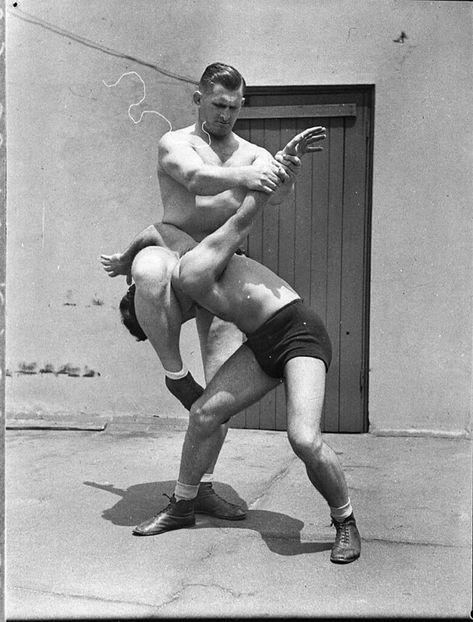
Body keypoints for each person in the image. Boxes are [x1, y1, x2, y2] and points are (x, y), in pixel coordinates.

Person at [125, 131, 361, 565]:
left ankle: (344, 520)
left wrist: (274, 173)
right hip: (262, 343)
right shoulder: (184, 261)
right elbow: (157, 232)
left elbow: (243, 219)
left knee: (304, 439)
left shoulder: (194, 268)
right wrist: (127, 258)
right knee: (204, 414)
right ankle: (182, 505)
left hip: (299, 332)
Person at [101, 63, 320, 522]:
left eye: (234, 107)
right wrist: (249, 177)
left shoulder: (253, 152)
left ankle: (199, 489)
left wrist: (285, 170)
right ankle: (174, 372)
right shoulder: (176, 143)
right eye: (218, 104)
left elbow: (276, 192)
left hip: (220, 275)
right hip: (177, 258)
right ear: (197, 98)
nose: (225, 114)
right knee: (146, 267)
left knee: (215, 402)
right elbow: (196, 179)